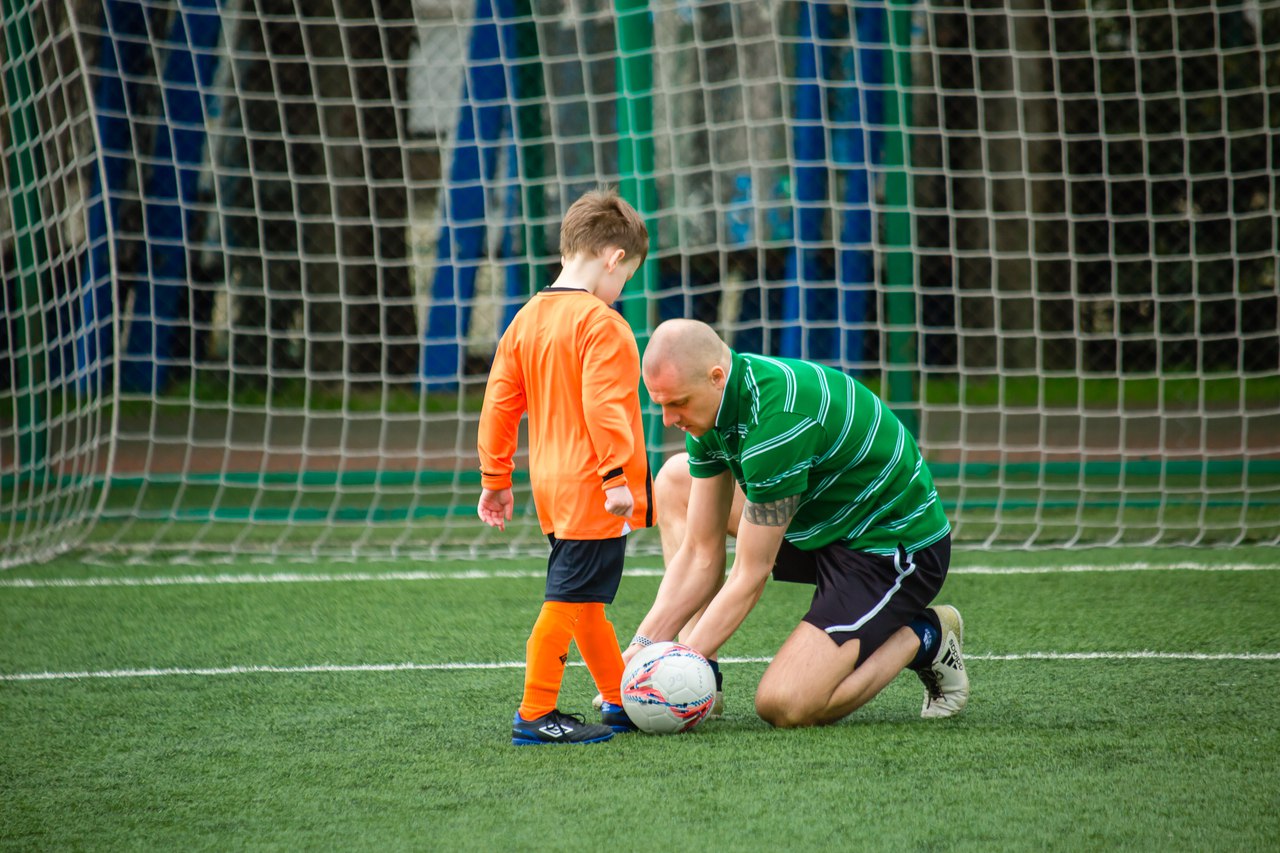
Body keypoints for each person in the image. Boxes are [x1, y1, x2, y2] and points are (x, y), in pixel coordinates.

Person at [626, 318, 967, 727]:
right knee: (676, 480)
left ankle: (926, 635)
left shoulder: (777, 424)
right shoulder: (710, 408)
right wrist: (641, 651)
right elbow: (700, 552)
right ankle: (704, 678)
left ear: (716, 377)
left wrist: (669, 673)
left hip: (887, 548)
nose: (667, 419)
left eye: (676, 403)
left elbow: (750, 573)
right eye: (660, 404)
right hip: (816, 524)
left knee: (785, 704)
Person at [477, 188, 653, 746]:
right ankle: (535, 713)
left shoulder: (525, 320)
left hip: (552, 489)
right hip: (595, 487)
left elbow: (500, 403)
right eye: (627, 277)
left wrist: (495, 480)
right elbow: (606, 408)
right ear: (612, 257)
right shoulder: (602, 325)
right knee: (567, 599)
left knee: (588, 600)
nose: (621, 289)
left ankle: (620, 698)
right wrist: (615, 479)